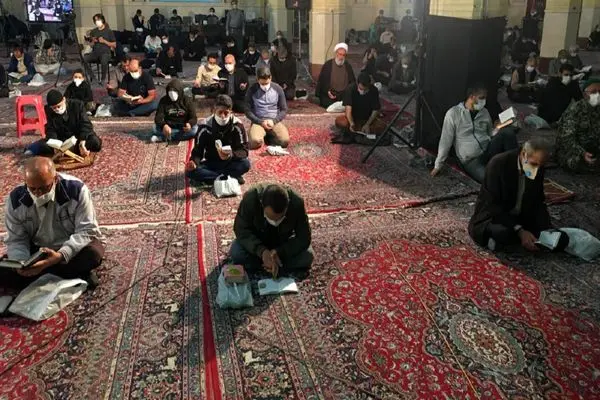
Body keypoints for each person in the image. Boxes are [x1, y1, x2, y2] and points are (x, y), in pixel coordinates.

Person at [2, 157, 105, 288]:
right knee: (5, 270)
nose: (38, 194)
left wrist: (61, 255)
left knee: (92, 254)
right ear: (25, 183)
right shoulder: (15, 200)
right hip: (39, 251)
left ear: (55, 179)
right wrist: (22, 263)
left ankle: (44, 274)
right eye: (33, 189)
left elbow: (86, 230)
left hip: (71, 249)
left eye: (44, 188)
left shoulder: (76, 190)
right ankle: (72, 275)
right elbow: (17, 239)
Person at [468, 139, 553, 252]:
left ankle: (512, 239)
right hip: (496, 216)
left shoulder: (538, 167)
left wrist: (546, 229)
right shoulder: (499, 164)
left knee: (553, 235)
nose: (536, 170)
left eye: (540, 166)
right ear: (523, 154)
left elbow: (538, 200)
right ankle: (499, 238)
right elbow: (493, 206)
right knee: (502, 232)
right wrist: (520, 231)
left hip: (521, 216)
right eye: (533, 164)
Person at [431, 84, 519, 183]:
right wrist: (438, 165)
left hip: (488, 149)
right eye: (481, 98)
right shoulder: (453, 114)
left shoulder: (484, 112)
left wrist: (498, 127)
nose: (484, 101)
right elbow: (445, 140)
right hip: (471, 160)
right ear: (472, 97)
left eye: (485, 98)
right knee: (491, 180)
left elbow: (489, 133)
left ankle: (516, 165)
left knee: (508, 132)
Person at [230, 183, 313, 275]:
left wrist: (280, 252)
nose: (275, 221)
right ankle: (274, 265)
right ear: (261, 204)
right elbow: (241, 230)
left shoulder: (296, 203)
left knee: (307, 256)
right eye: (271, 218)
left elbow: (304, 238)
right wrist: (261, 251)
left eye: (280, 218)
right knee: (236, 253)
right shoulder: (251, 199)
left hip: (283, 244)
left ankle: (268, 265)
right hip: (257, 242)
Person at [185, 94, 250, 184]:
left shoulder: (237, 125)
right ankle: (229, 177)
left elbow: (244, 150)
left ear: (231, 112)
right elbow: (198, 150)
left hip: (230, 161)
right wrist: (194, 162)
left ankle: (214, 178)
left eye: (226, 113)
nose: (223, 116)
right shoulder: (205, 126)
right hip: (212, 162)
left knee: (245, 164)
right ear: (214, 111)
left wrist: (231, 155)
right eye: (220, 112)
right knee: (190, 172)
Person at [26, 90, 102, 157]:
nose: (57, 109)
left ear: (64, 100)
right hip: (62, 140)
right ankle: (67, 150)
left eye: (58, 106)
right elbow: (50, 129)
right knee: (43, 145)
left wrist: (82, 141)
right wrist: (55, 145)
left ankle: (76, 149)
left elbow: (86, 124)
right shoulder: (49, 110)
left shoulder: (77, 105)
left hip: (78, 137)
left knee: (95, 142)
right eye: (54, 108)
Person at [555, 79, 600, 173]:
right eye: (593, 92)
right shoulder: (575, 110)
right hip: (575, 149)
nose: (597, 95)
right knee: (574, 162)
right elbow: (567, 138)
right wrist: (582, 153)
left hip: (593, 147)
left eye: (599, 91)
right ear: (584, 94)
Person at [332, 72, 385, 144]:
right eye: (361, 89)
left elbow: (375, 110)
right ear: (357, 84)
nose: (363, 91)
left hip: (367, 119)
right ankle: (361, 133)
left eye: (365, 90)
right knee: (340, 121)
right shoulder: (350, 89)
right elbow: (348, 110)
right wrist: (351, 123)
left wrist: (367, 124)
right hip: (353, 118)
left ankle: (356, 134)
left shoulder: (374, 90)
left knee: (382, 126)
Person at [245, 67, 289, 150]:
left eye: (267, 83)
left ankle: (268, 137)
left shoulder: (278, 89)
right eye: (262, 84)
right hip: (258, 121)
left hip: (274, 121)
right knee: (255, 142)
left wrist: (274, 121)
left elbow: (284, 109)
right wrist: (260, 122)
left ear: (270, 78)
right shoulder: (251, 90)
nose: (265, 86)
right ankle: (256, 133)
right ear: (257, 79)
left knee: (284, 141)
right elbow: (247, 110)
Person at [152, 79, 198, 143]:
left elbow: (193, 117)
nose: (172, 95)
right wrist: (164, 125)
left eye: (175, 92)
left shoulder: (187, 100)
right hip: (169, 126)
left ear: (180, 91)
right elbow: (158, 118)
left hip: (183, 126)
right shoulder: (164, 100)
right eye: (170, 92)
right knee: (154, 128)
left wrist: (189, 124)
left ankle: (164, 137)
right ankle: (177, 136)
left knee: (195, 130)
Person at [314, 43, 356, 108]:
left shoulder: (348, 66)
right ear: (336, 54)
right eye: (340, 54)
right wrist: (328, 91)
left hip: (343, 95)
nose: (341, 57)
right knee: (327, 104)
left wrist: (347, 93)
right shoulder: (328, 65)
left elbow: (352, 82)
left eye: (343, 55)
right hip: (330, 94)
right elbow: (322, 82)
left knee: (348, 102)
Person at [84, 14, 116, 86]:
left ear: (102, 20)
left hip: (105, 52)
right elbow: (91, 45)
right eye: (95, 20)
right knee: (84, 59)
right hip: (95, 52)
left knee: (104, 60)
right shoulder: (93, 31)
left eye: (98, 20)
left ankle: (103, 79)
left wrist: (104, 41)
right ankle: (93, 77)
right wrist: (92, 42)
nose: (97, 22)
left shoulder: (109, 31)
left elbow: (114, 44)